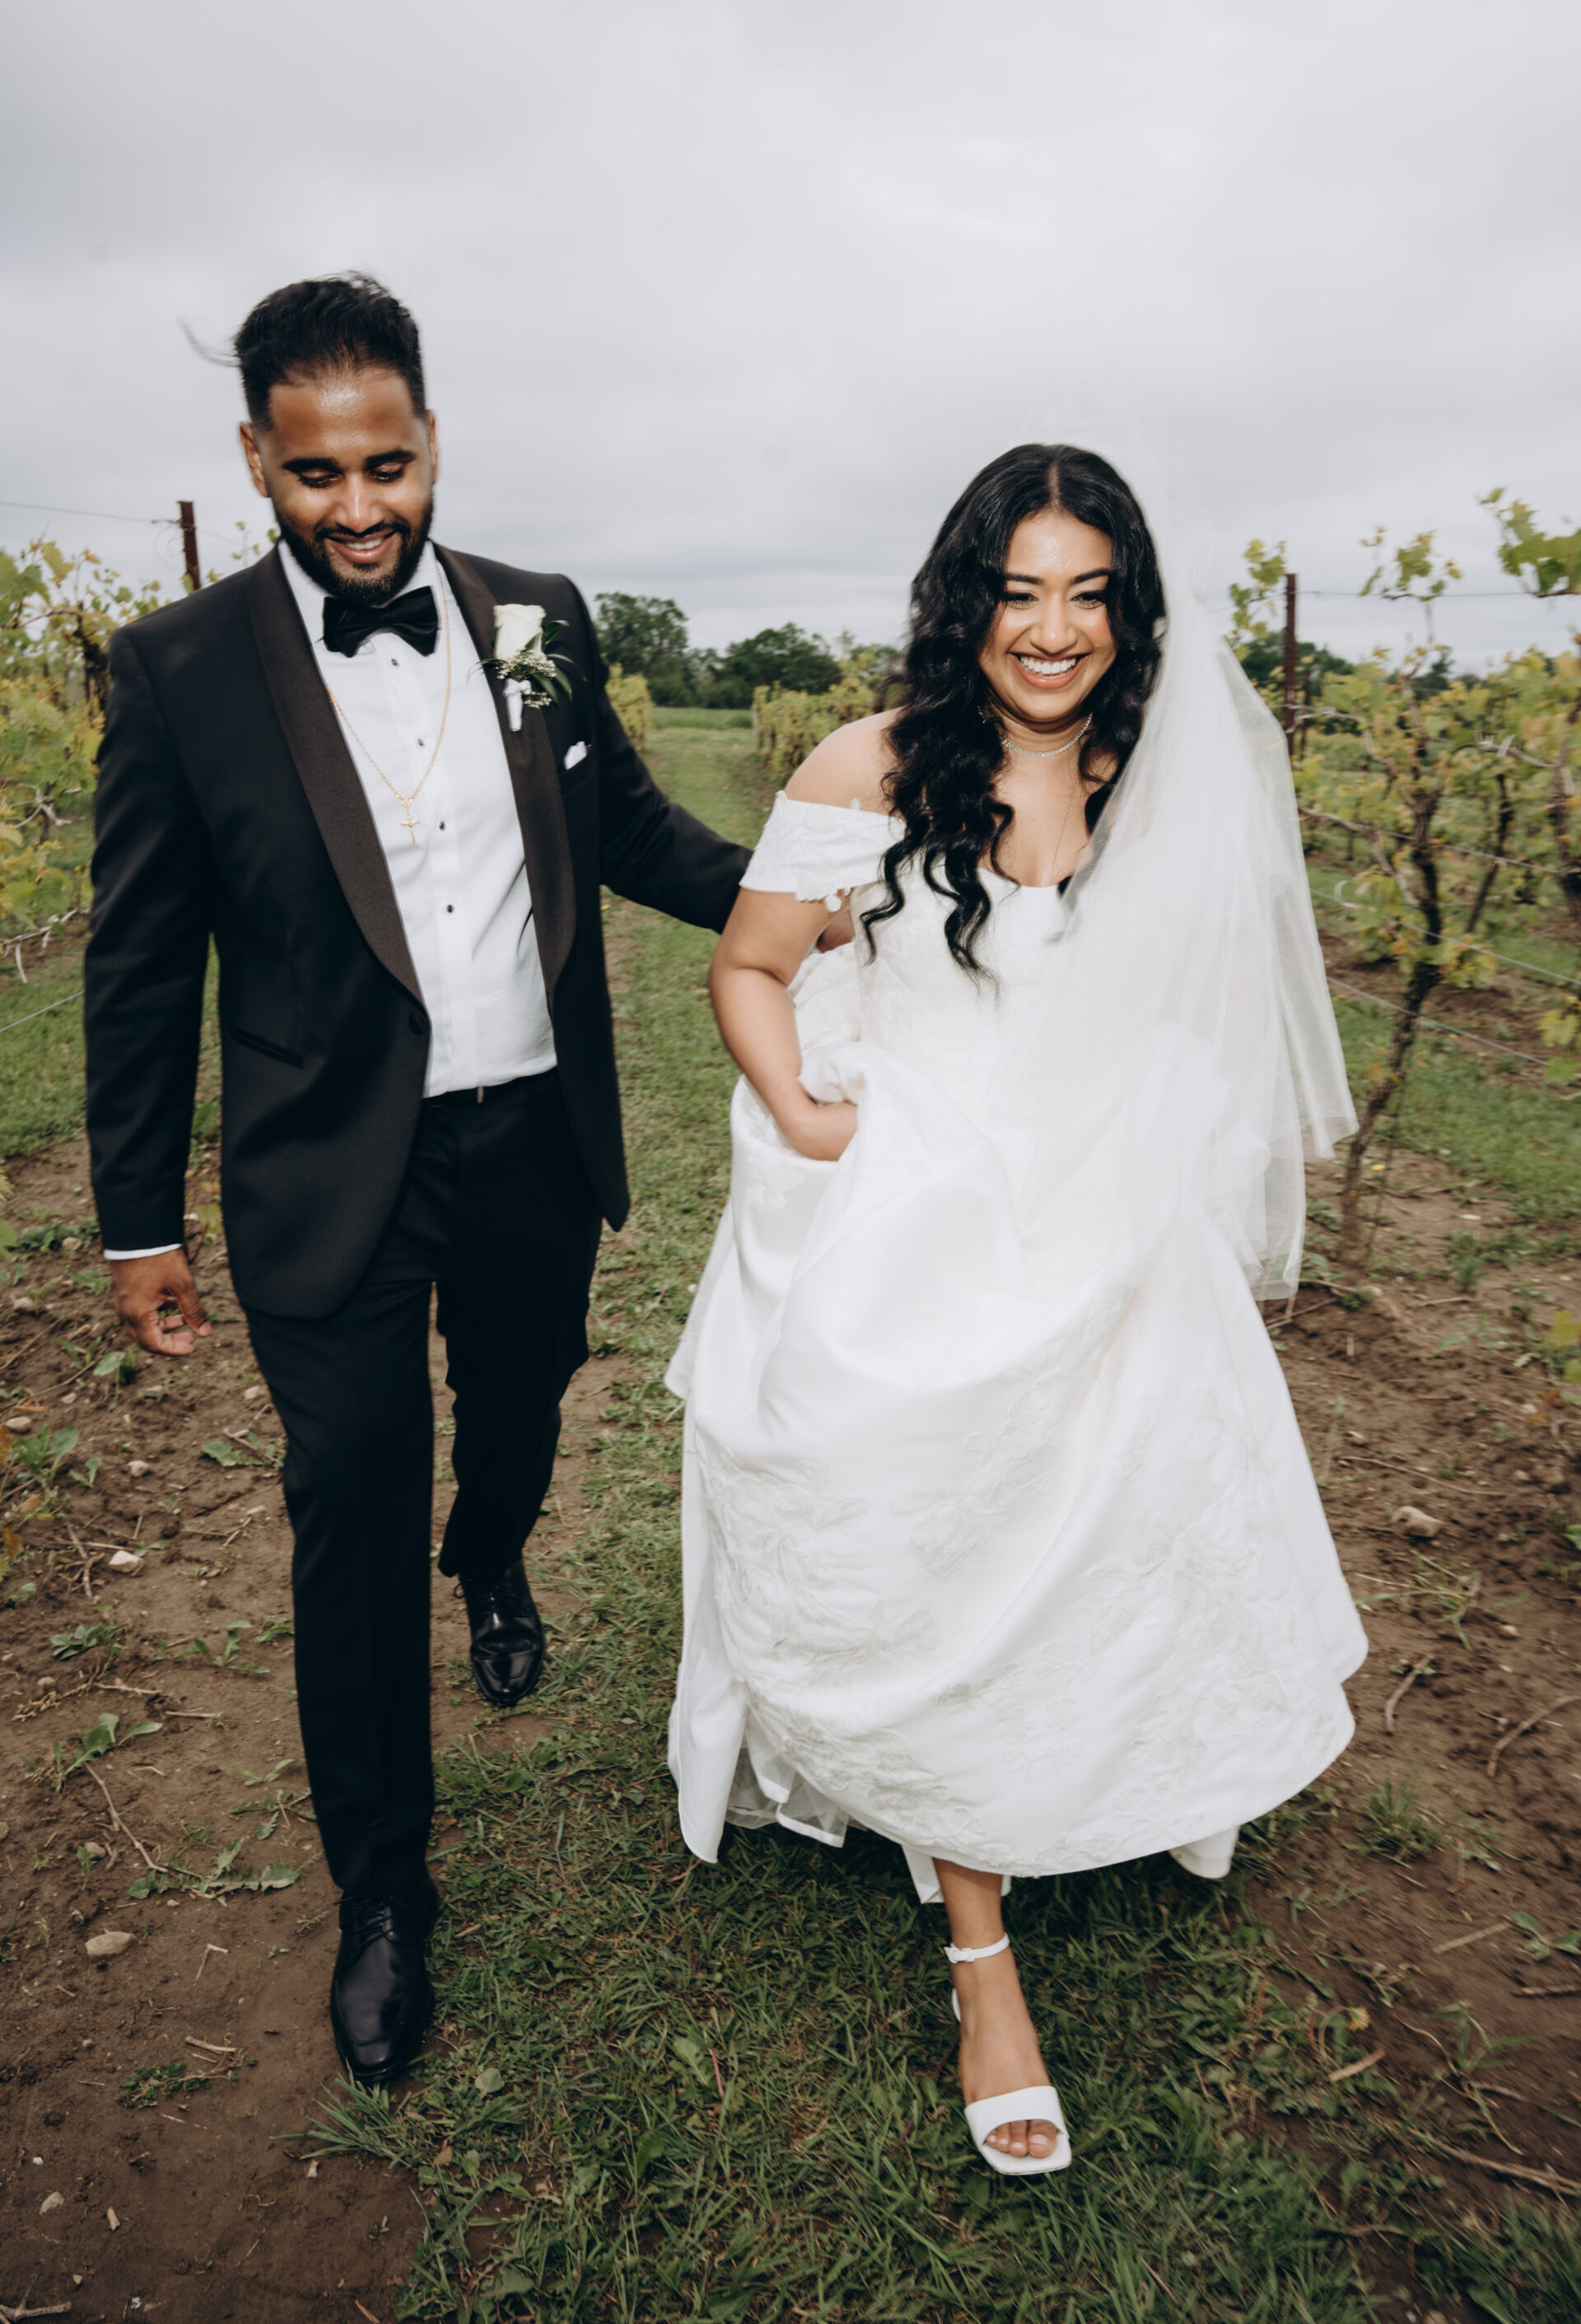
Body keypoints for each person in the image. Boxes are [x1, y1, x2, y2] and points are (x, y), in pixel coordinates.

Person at [666, 444, 1365, 2175]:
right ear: (966, 598)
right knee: (934, 1539)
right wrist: (810, 1117)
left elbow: (1207, 1012)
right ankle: (983, 1957)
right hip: (923, 1224)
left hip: (1106, 1222)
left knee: (1127, 1524)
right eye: (1019, 590)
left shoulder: (1160, 782)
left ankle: (1101, 1771)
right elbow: (750, 964)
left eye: (1088, 595)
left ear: (1129, 612)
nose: (1052, 630)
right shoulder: (872, 766)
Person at [85, 272, 751, 2086]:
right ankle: (384, 1889)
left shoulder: (539, 619)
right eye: (318, 475)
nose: (360, 508)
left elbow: (624, 827)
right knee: (351, 1509)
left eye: (388, 465)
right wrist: (138, 1219)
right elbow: (139, 970)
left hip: (530, 1135)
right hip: (329, 1173)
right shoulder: (177, 673)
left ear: (433, 440)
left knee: (519, 1406)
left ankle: (497, 1554)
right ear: (256, 461)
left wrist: (807, 896)